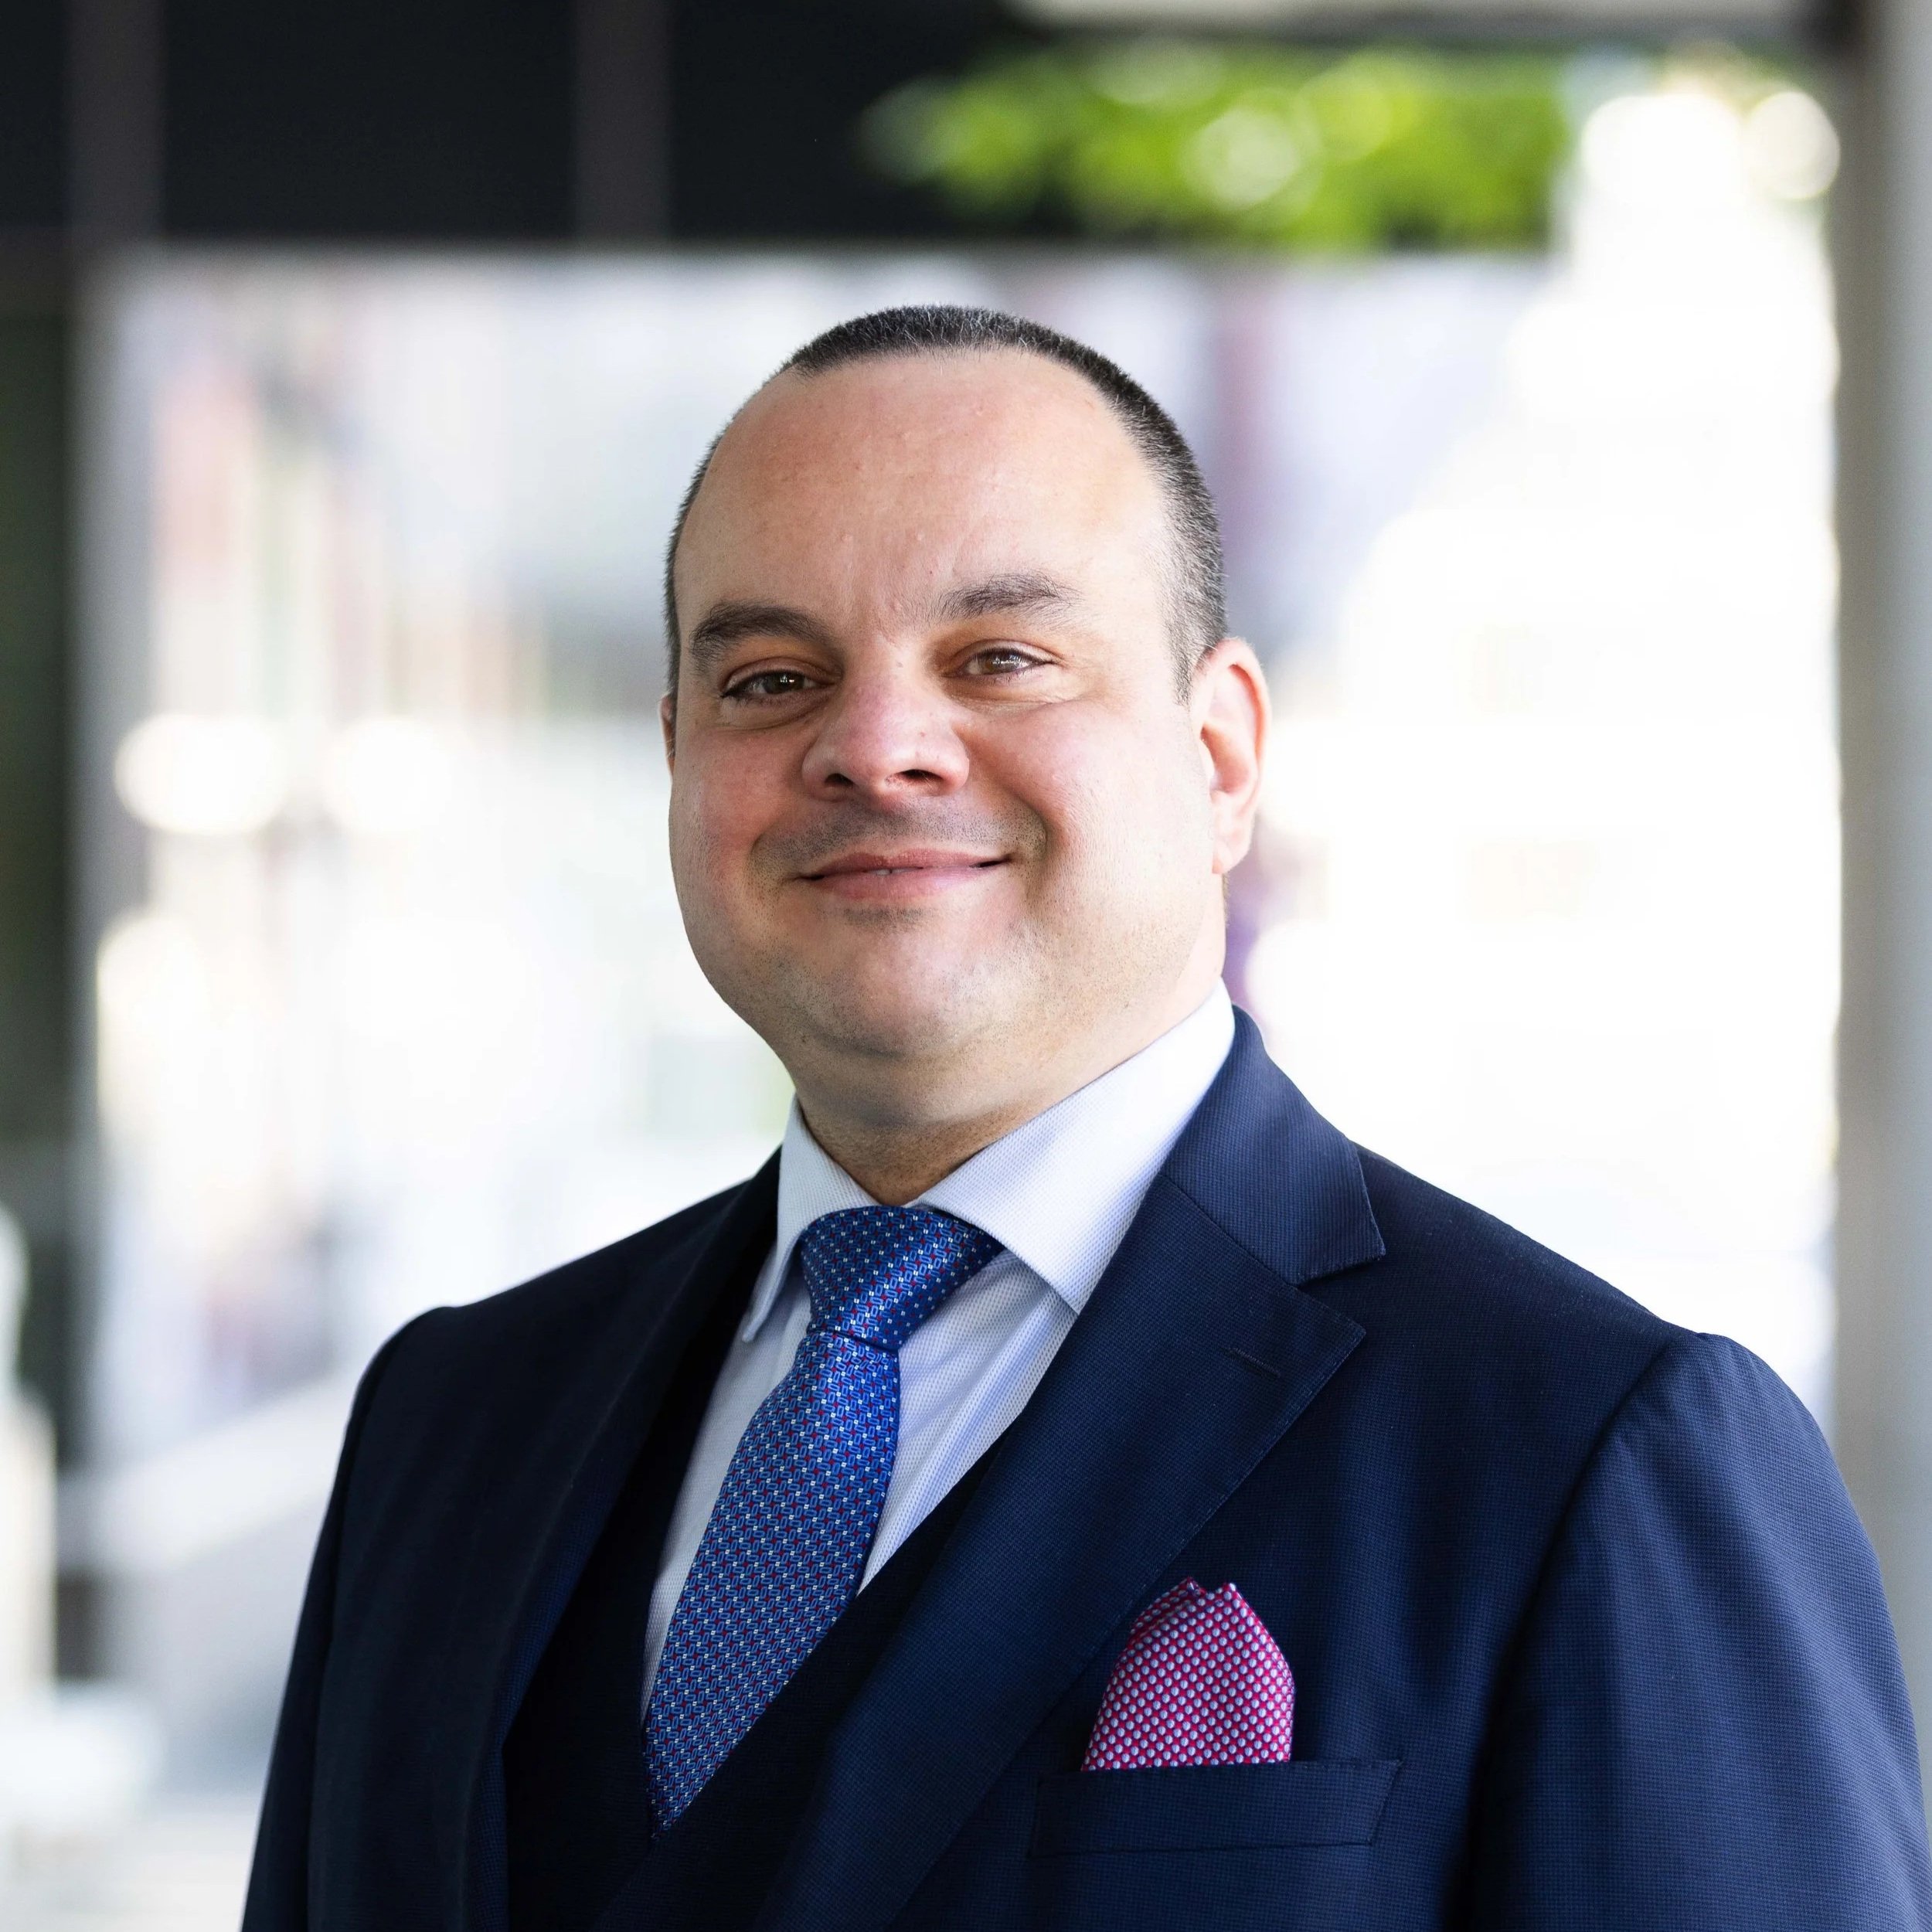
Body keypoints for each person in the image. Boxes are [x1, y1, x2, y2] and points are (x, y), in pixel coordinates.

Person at [242, 305, 1931, 1932]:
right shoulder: (449, 1420)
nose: (878, 745)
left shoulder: (1583, 1448)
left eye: (1002, 657)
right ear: (677, 754)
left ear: (1217, 752)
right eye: (769, 676)